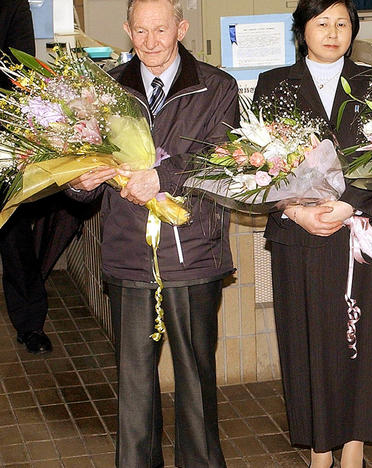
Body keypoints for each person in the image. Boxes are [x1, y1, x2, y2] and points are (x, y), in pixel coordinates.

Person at [67, 0, 239, 465]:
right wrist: (79, 182)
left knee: (196, 381)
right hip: (129, 254)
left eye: (160, 30)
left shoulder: (216, 86)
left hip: (193, 252)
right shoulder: (105, 90)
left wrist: (166, 177)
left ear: (181, 28)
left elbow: (224, 162)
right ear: (127, 30)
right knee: (134, 386)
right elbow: (79, 176)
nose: (150, 42)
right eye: (140, 32)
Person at [252, 0, 372, 466]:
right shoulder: (275, 84)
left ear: (353, 30)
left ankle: (352, 447)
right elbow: (258, 163)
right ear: (302, 30)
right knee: (305, 340)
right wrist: (295, 210)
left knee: (363, 343)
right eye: (321, 24)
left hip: (361, 228)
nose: (333, 32)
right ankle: (318, 448)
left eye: (342, 24)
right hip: (299, 235)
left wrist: (349, 201)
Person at [1, 0, 87, 354]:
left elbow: (18, 69)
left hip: (2, 130)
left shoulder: (12, 5)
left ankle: (30, 322)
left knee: (13, 233)